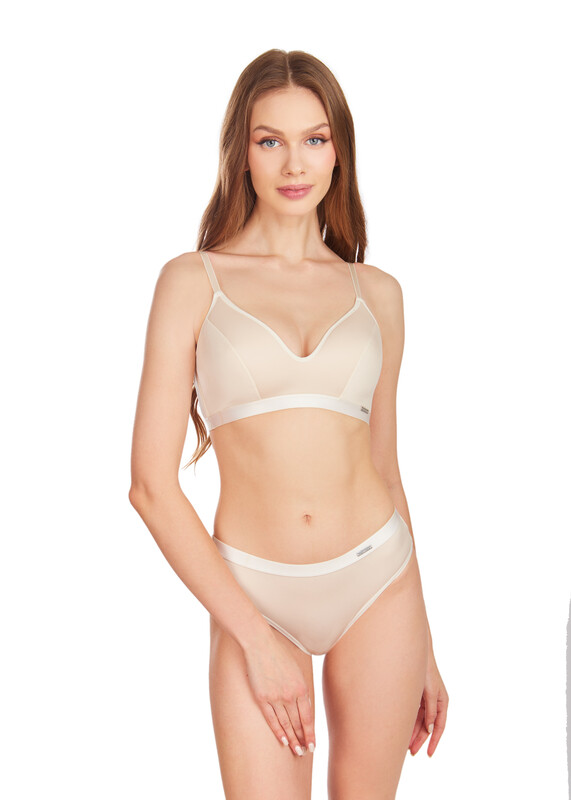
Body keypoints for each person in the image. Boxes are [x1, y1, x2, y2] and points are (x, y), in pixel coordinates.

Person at [129, 48, 449, 799]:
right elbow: (149, 486)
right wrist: (253, 636)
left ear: (339, 150)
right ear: (241, 152)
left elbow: (384, 467)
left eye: (315, 138)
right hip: (255, 591)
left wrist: (425, 645)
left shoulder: (378, 293)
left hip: (380, 584)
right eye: (270, 139)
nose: (294, 162)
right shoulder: (192, 281)